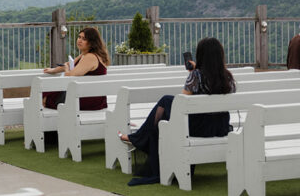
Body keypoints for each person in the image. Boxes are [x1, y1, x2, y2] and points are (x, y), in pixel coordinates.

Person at [119, 37, 236, 186]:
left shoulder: (196, 75)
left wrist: (192, 74)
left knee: (166, 101)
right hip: (220, 127)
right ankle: (141, 136)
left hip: (198, 128)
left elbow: (182, 102)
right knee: (166, 104)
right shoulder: (227, 77)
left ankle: (139, 137)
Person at [40, 27, 110, 110]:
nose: (79, 40)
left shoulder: (90, 57)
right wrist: (53, 70)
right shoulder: (86, 54)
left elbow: (69, 76)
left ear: (92, 42)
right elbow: (69, 64)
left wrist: (66, 68)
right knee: (46, 94)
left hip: (89, 99)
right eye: (79, 37)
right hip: (87, 94)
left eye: (84, 39)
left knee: (45, 95)